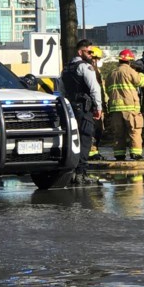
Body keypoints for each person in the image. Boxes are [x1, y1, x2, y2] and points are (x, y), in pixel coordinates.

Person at [60, 39, 103, 183]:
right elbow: (94, 88)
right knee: (85, 138)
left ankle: (71, 171)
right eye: (89, 52)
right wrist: (98, 107)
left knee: (72, 139)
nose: (91, 55)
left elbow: (61, 89)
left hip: (70, 108)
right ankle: (81, 173)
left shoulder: (66, 68)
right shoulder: (85, 67)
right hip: (84, 108)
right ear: (80, 52)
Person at [106, 49, 144, 160]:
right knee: (134, 130)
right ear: (130, 61)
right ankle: (135, 153)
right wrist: (141, 74)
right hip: (130, 108)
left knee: (118, 133)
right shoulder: (130, 71)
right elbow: (142, 82)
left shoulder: (111, 73)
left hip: (115, 108)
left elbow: (107, 90)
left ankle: (119, 154)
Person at [87, 45, 108, 161]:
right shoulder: (90, 70)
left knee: (98, 130)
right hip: (93, 106)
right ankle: (92, 152)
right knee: (94, 130)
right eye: (98, 59)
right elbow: (94, 89)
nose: (99, 61)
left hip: (97, 104)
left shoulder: (95, 70)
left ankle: (94, 151)